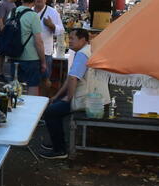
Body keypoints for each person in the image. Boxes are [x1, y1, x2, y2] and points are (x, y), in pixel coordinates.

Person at [40, 29, 110, 159]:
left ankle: (59, 150)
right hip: (99, 98)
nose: (69, 41)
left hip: (89, 101)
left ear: (83, 40)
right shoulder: (90, 50)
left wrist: (68, 97)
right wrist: (57, 96)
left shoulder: (83, 54)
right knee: (55, 103)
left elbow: (73, 79)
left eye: (72, 38)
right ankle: (57, 142)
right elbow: (70, 77)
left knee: (51, 111)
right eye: (69, 38)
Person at [11, 0, 47, 96]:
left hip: (14, 55)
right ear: (35, 0)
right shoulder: (33, 15)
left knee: (15, 87)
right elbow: (38, 41)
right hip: (30, 57)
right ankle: (31, 111)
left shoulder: (13, 12)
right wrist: (43, 61)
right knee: (32, 86)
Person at [34, 0, 65, 90]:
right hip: (29, 52)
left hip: (46, 52)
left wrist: (52, 26)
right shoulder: (29, 11)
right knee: (30, 81)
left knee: (45, 80)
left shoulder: (52, 12)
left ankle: (44, 102)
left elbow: (61, 30)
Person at [0, 0, 19, 82]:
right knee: (1, 53)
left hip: (10, 32)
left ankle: (9, 74)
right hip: (4, 32)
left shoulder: (12, 3)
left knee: (6, 53)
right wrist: (4, 32)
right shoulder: (1, 4)